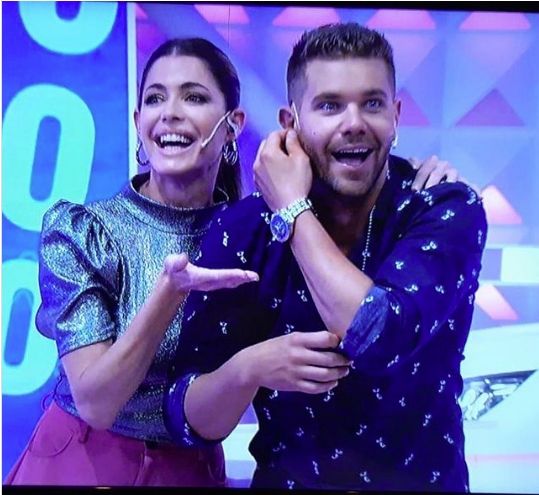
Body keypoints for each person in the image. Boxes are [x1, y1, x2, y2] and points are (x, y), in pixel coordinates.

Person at [164, 23, 487, 492]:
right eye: (330, 105)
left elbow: (378, 337)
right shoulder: (244, 229)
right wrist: (250, 368)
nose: (354, 122)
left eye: (372, 103)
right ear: (291, 123)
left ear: (396, 116)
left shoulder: (444, 209)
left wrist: (292, 211)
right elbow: (186, 418)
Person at [4, 37, 259, 487]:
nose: (170, 113)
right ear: (139, 122)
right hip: (81, 463)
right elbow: (97, 404)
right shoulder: (85, 232)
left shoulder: (249, 238)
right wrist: (170, 291)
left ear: (232, 125)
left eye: (194, 97)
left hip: (192, 470)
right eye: (155, 98)